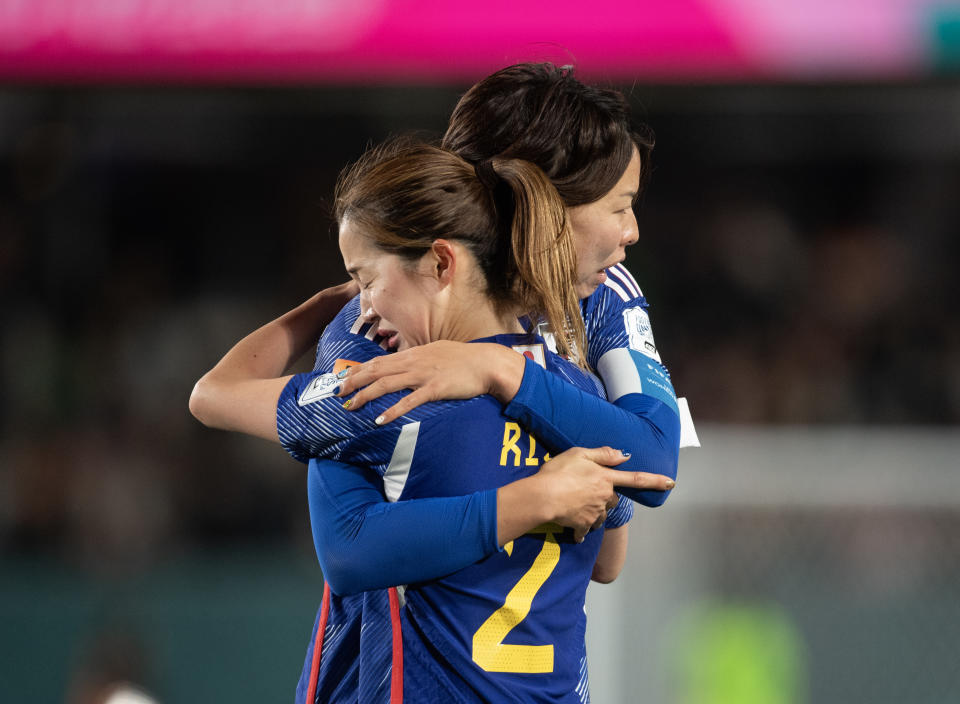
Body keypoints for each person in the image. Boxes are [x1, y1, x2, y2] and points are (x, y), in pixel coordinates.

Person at [192, 140, 672, 701]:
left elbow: (214, 395)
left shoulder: (387, 393)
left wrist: (330, 306)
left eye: (366, 278)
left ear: (441, 262)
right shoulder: (582, 399)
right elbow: (610, 559)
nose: (364, 306)